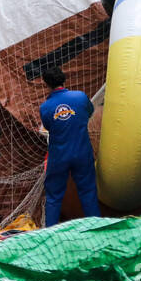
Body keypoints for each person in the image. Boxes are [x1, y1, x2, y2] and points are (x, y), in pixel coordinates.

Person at [37, 65, 100, 227]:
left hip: (59, 156)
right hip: (82, 153)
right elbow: (90, 112)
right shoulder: (80, 97)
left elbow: (49, 127)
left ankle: (50, 234)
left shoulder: (45, 108)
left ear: (46, 84)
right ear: (64, 79)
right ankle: (97, 229)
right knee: (88, 192)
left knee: (53, 197)